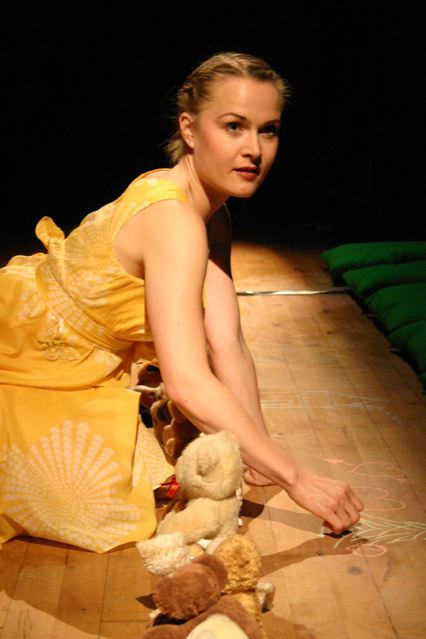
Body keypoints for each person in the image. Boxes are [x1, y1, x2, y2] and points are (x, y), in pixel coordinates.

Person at [0, 51, 364, 553]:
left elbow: (227, 340)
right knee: (92, 501)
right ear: (189, 130)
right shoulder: (174, 220)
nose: (253, 149)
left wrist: (260, 457)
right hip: (28, 357)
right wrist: (298, 479)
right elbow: (187, 382)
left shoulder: (210, 213)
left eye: (269, 130)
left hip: (81, 362)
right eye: (234, 126)